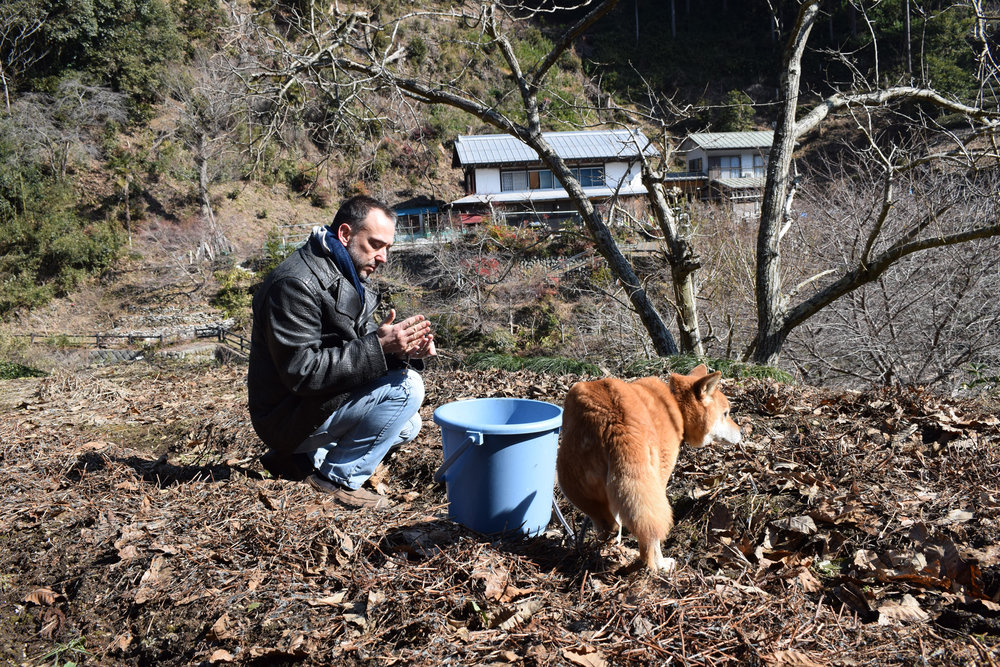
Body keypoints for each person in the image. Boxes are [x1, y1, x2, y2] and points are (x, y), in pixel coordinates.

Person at [248, 195, 435, 509]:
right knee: (407, 390)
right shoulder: (295, 283)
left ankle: (299, 459)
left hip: (308, 407)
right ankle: (335, 480)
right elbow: (302, 372)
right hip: (284, 416)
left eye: (387, 247)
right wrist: (380, 345)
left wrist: (401, 350)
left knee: (407, 425)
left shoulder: (342, 270)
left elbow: (355, 348)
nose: (383, 257)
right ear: (346, 234)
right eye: (376, 244)